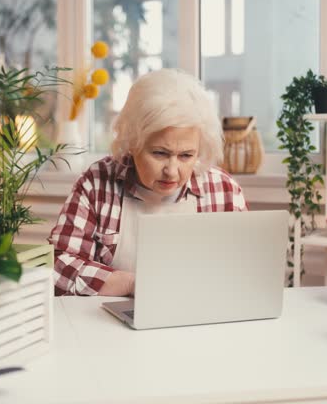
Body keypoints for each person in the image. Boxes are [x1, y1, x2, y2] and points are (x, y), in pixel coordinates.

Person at [49, 69, 248, 296]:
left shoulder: (225, 191)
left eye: (186, 156)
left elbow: (243, 274)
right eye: (159, 153)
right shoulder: (96, 184)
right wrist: (132, 284)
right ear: (133, 143)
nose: (172, 171)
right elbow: (59, 266)